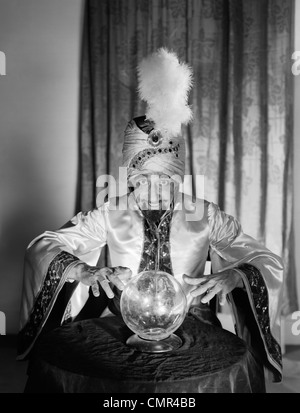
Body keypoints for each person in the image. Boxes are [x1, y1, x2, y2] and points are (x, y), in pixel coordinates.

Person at [17, 48, 283, 385]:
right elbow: (43, 246)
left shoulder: (206, 216)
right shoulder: (110, 213)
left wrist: (236, 277)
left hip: (194, 326)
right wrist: (80, 269)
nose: (153, 188)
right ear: (128, 178)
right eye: (142, 180)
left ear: (177, 177)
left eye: (164, 180)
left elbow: (266, 259)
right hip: (118, 326)